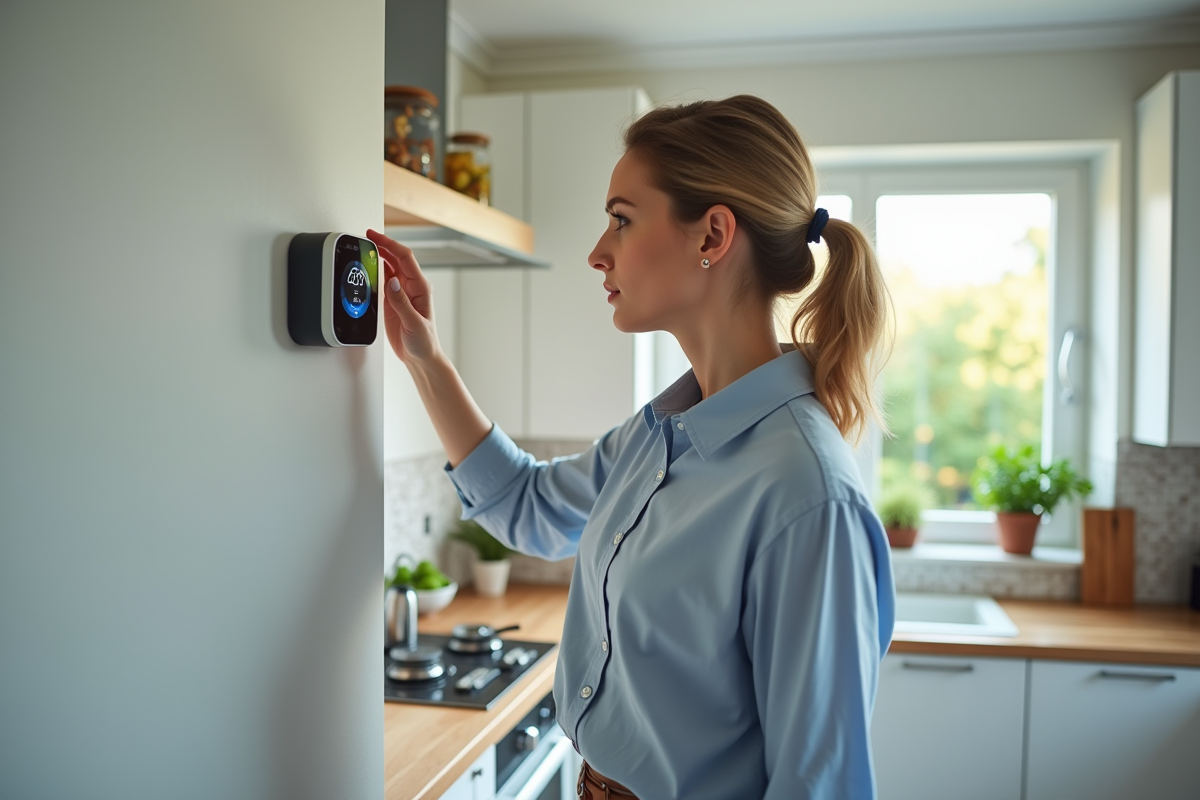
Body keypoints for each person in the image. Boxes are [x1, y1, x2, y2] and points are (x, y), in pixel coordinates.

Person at [367, 94, 895, 800]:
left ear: (712, 236)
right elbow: (528, 508)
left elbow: (819, 786)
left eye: (622, 219)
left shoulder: (807, 496)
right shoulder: (661, 434)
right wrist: (425, 359)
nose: (597, 251)